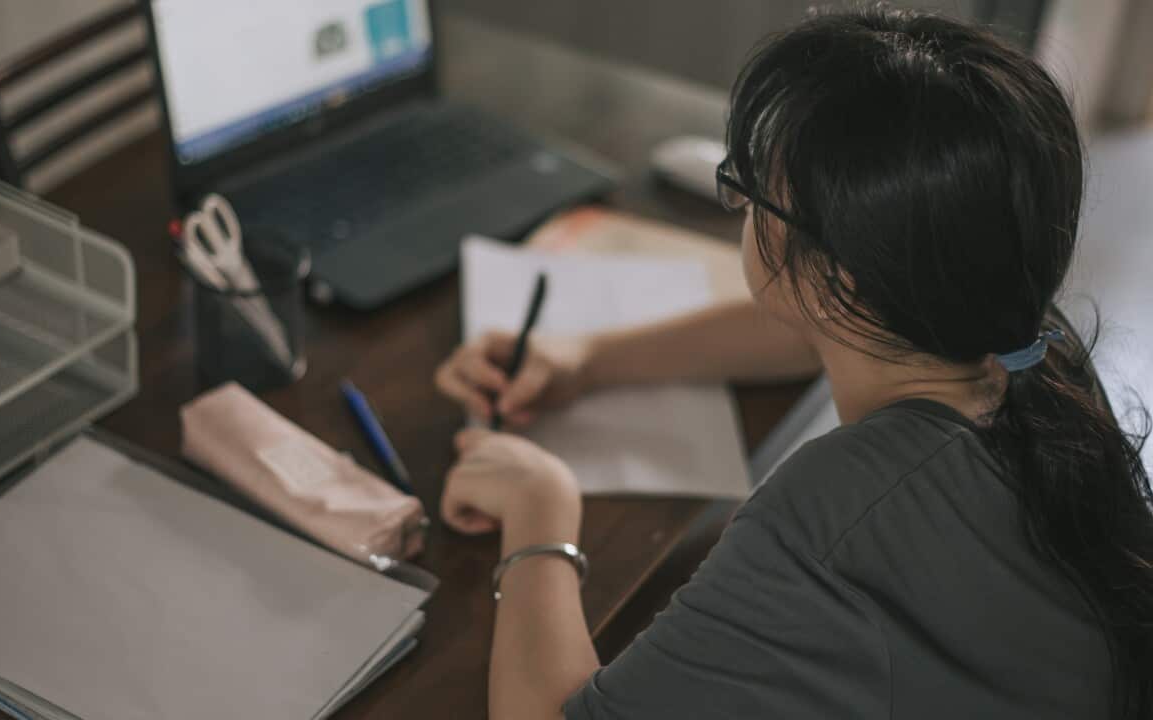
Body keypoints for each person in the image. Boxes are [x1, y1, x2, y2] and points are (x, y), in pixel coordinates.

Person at [433, 5, 1153, 719]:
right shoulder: (1033, 350)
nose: (742, 210)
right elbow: (811, 322)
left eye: (750, 195)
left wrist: (540, 514)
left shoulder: (832, 515)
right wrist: (589, 359)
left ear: (839, 277)